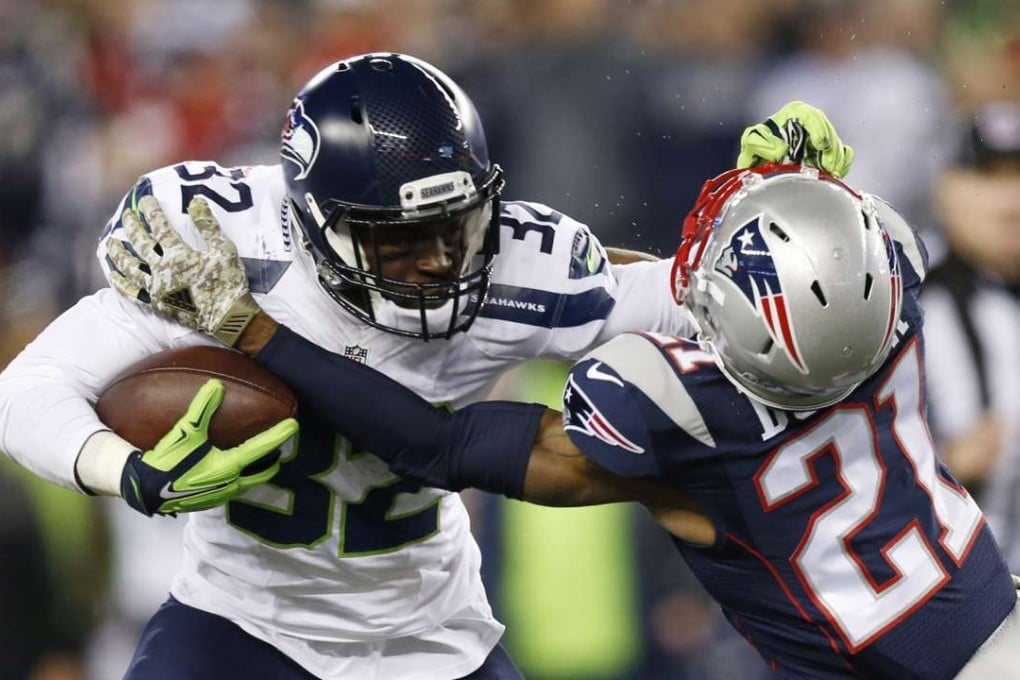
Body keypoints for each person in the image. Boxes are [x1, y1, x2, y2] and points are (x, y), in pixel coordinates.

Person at [0, 50, 851, 680]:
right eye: (401, 238)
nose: (443, 262)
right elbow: (25, 391)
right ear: (312, 221)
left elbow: (709, 304)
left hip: (428, 635)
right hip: (241, 622)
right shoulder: (224, 254)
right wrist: (129, 471)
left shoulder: (521, 264)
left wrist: (772, 215)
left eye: (459, 228)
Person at [117, 158, 1020, 678]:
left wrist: (254, 330)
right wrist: (789, 180)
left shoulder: (672, 409)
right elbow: (824, 248)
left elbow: (440, 444)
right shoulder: (890, 288)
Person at [921, 101, 1020, 570]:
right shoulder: (898, 297)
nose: (1010, 200)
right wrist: (938, 469)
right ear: (947, 188)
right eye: (990, 176)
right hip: (936, 595)